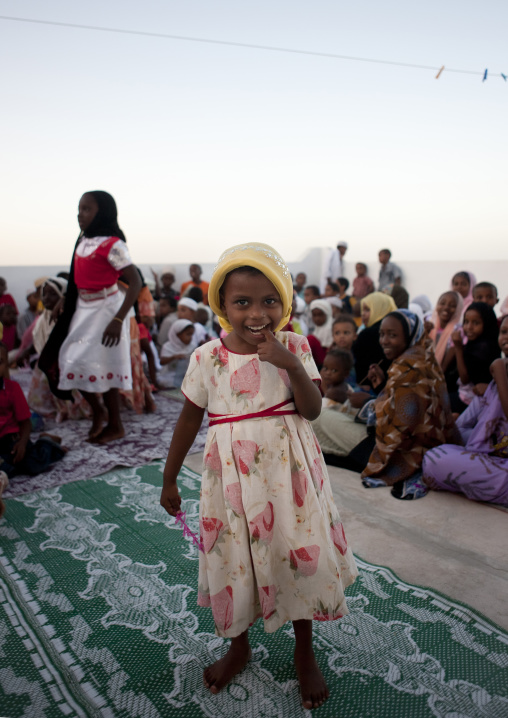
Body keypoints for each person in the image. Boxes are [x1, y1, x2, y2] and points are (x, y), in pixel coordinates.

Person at [160, 242, 357, 710]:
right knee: (236, 558)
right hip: (231, 481)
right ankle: (239, 645)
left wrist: (289, 365)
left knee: (295, 551)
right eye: (242, 302)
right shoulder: (206, 357)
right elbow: (189, 419)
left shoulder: (294, 346)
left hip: (288, 480)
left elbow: (310, 411)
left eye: (270, 301)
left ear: (285, 304)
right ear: (222, 307)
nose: (257, 313)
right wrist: (169, 479)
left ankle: (303, 648)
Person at [39, 191, 141, 443]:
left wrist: (118, 320)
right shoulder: (83, 240)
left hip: (107, 310)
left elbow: (135, 282)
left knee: (106, 366)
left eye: (86, 209)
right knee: (69, 360)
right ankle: (98, 412)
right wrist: (65, 298)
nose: (79, 214)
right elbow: (77, 277)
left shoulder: (113, 244)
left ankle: (115, 424)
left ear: (102, 212)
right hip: (83, 308)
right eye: (79, 209)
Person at [361, 310, 460, 499]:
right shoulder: (422, 357)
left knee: (327, 423)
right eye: (382, 334)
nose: (384, 341)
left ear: (410, 335)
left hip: (406, 451)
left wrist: (370, 404)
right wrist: (382, 387)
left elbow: (399, 424)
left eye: (393, 335)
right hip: (431, 441)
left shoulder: (408, 367)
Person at [422, 316, 508, 506]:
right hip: (494, 455)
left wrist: (501, 373)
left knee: (434, 460)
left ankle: (475, 481)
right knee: (441, 439)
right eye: (504, 332)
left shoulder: (500, 372)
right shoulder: (495, 382)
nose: (506, 338)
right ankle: (475, 480)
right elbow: (462, 426)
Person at [0, 342, 66, 481]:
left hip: (12, 439)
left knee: (33, 465)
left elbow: (25, 422)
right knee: (6, 469)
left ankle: (47, 443)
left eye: (0, 362)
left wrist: (22, 444)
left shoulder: (12, 388)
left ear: (6, 365)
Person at [451, 302, 500, 407]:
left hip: (473, 400)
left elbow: (464, 378)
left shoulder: (484, 347)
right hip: (468, 395)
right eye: (466, 322)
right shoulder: (477, 342)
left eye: (476, 323)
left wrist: (458, 348)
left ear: (487, 324)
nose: (469, 327)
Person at [353, 292, 397, 387]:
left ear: (379, 310)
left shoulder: (367, 334)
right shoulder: (397, 330)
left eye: (367, 310)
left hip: (369, 387)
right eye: (362, 310)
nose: (362, 314)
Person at [159, 319, 195, 388]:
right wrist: (174, 357)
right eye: (188, 334)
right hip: (169, 376)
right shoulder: (167, 346)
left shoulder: (192, 346)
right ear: (178, 335)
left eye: (192, 334)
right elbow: (162, 362)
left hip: (184, 377)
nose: (190, 338)